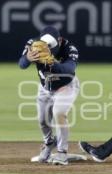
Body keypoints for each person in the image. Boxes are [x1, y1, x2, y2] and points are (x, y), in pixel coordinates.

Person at [18, 26, 80, 165]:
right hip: (45, 86)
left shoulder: (69, 48)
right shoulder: (34, 44)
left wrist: (53, 63)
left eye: (51, 45)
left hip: (66, 86)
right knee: (42, 120)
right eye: (45, 44)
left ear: (59, 40)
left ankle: (62, 152)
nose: (47, 48)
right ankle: (49, 143)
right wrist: (27, 58)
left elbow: (69, 70)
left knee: (59, 113)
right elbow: (21, 64)